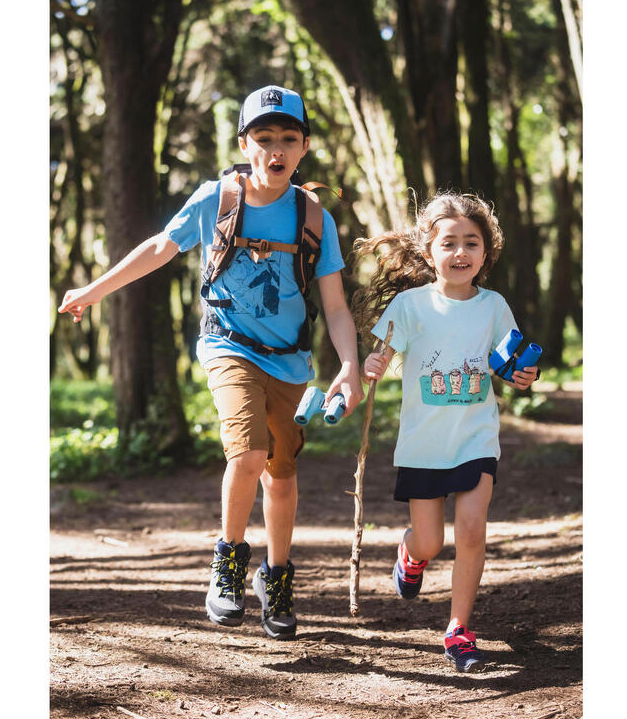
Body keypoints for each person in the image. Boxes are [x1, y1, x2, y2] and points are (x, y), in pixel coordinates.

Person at [58, 85, 363, 640]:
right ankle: (228, 566)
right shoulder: (217, 198)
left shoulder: (315, 217)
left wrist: (349, 365)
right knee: (247, 454)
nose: (276, 149)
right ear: (245, 143)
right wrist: (94, 291)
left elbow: (336, 306)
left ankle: (277, 578)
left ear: (304, 148)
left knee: (281, 478)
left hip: (290, 363)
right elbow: (159, 247)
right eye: (263, 138)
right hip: (227, 346)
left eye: (287, 139)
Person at [353, 191, 539, 672]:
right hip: (424, 443)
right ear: (428, 250)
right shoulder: (410, 306)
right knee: (432, 541)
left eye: (471, 243)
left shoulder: (494, 306)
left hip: (476, 438)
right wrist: (373, 364)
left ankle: (458, 630)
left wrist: (521, 374)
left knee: (472, 529)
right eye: (449, 243)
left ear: (485, 252)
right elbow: (381, 355)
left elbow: (507, 362)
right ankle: (411, 555)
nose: (460, 253)